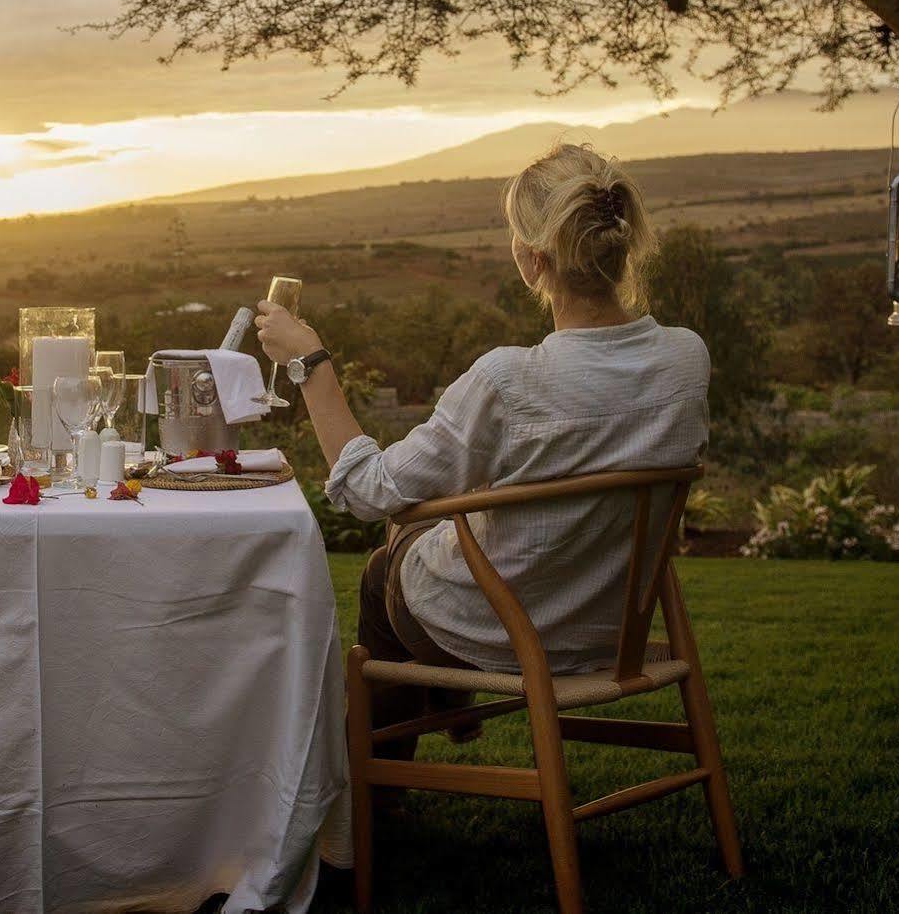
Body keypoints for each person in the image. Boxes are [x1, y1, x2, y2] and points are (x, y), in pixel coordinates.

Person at [255, 143, 709, 747]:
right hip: (609, 632)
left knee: (389, 559)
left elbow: (368, 490)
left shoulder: (509, 381)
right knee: (442, 515)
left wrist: (309, 363)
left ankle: (380, 796)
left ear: (530, 258)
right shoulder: (687, 358)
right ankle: (444, 702)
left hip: (507, 633)